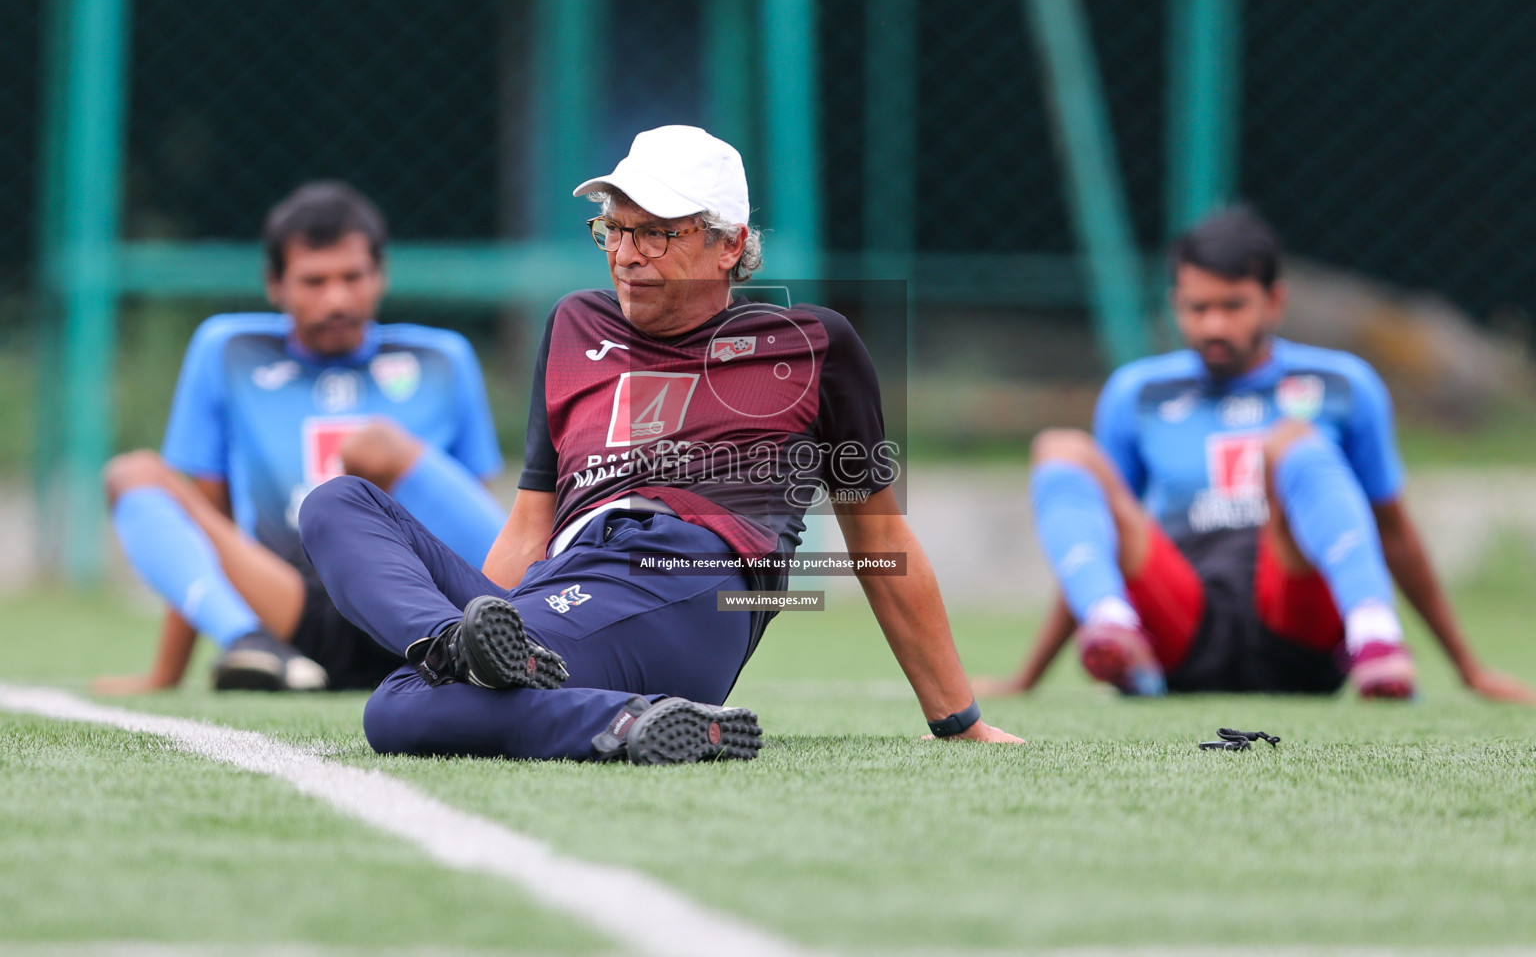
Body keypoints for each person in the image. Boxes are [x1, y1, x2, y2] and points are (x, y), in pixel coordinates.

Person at [298, 125, 1023, 764]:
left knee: (396, 709)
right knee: (337, 507)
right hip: (570, 581)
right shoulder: (574, 324)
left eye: (657, 233)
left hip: (688, 582)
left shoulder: (811, 345)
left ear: (729, 245)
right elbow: (529, 523)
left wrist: (957, 721)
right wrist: (499, 623)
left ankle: (601, 708)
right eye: (614, 229)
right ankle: (519, 674)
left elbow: (878, 535)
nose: (626, 254)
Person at [982, 205, 1536, 701]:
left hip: (1299, 628)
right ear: (1175, 304)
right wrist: (1026, 679)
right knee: (1061, 448)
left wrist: (1469, 669)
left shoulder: (1343, 384)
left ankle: (1375, 638)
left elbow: (1392, 529)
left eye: (1232, 306)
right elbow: (1096, 534)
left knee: (1292, 441)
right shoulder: (1138, 393)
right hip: (1185, 633)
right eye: (1197, 308)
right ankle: (1113, 628)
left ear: (1275, 301)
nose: (1213, 324)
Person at [95, 181, 508, 694]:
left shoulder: (443, 359)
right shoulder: (228, 350)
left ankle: (520, 636)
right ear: (276, 284)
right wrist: (167, 672)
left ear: (379, 276)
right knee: (133, 473)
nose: (336, 298)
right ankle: (249, 644)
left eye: (352, 277)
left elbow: (472, 514)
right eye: (314, 281)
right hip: (296, 612)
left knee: (373, 447)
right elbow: (207, 520)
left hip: (423, 609)